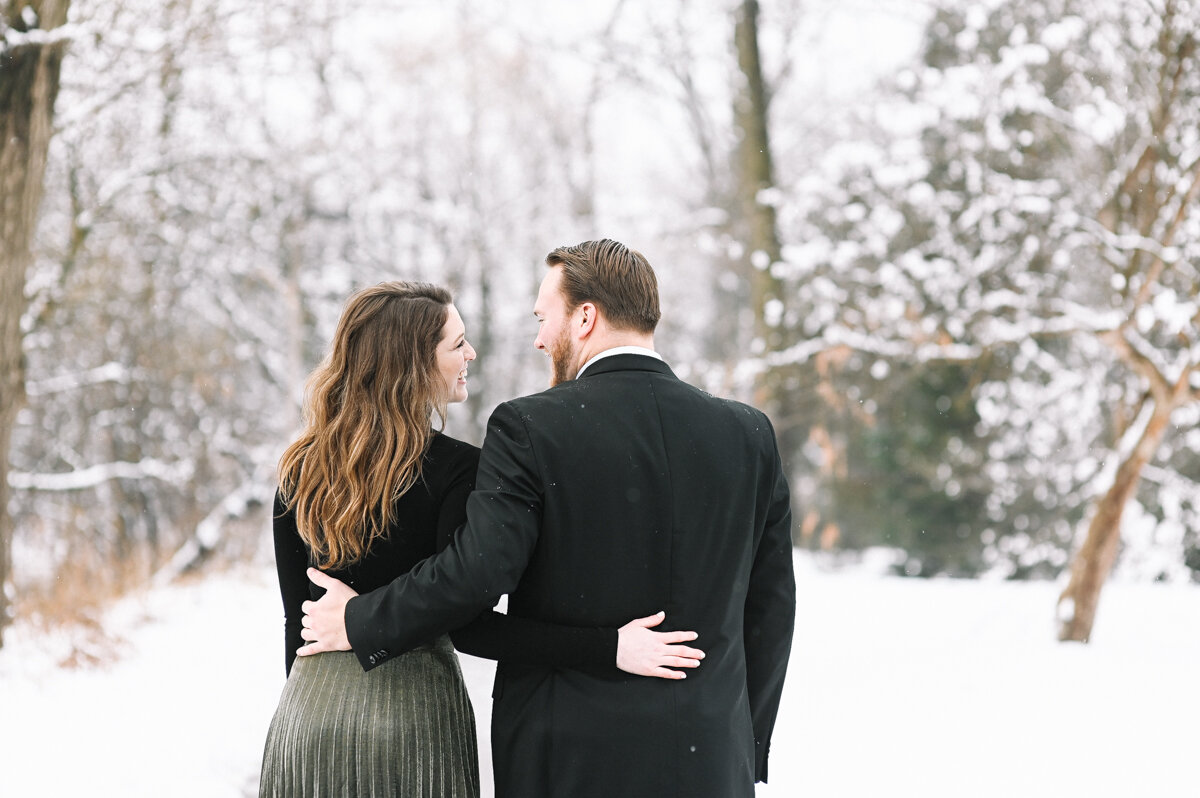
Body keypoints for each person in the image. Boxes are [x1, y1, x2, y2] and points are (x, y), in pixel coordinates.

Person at [300, 240, 797, 798]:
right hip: (711, 758)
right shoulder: (749, 434)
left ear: (585, 317)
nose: (538, 338)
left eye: (543, 317)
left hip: (567, 758)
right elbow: (771, 607)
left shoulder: (531, 427)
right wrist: (741, 743)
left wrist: (361, 618)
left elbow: (475, 576)